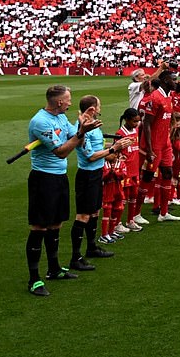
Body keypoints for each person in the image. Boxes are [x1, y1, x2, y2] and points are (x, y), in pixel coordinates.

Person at [25, 85, 101, 296]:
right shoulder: (41, 121)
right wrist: (80, 132)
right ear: (59, 102)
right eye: (68, 99)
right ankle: (34, 280)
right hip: (43, 179)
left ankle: (54, 268)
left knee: (57, 223)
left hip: (59, 178)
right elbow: (61, 151)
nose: (70, 102)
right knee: (40, 226)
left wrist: (82, 130)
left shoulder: (60, 119)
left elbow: (76, 138)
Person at [70, 95, 133, 272]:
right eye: (98, 105)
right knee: (82, 216)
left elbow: (100, 149)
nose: (100, 108)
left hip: (97, 174)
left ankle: (91, 248)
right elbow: (90, 156)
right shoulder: (83, 129)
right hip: (87, 176)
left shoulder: (95, 124)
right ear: (91, 109)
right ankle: (76, 257)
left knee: (95, 212)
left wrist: (114, 148)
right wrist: (114, 148)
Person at [140, 71, 180, 222]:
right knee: (148, 176)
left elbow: (167, 119)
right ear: (165, 80)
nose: (176, 82)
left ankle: (163, 213)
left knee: (168, 174)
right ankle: (135, 214)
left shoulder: (168, 96)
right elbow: (147, 124)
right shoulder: (154, 98)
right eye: (173, 79)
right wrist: (150, 149)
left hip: (165, 143)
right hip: (155, 145)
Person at [115, 107, 144, 232]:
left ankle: (130, 221)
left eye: (137, 121)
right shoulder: (120, 134)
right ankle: (117, 223)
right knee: (123, 198)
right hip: (125, 171)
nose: (136, 124)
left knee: (134, 196)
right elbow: (117, 153)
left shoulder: (136, 130)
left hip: (135, 170)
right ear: (126, 120)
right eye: (134, 121)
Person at [100, 150, 127, 243]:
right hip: (108, 191)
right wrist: (110, 173)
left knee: (117, 210)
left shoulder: (121, 164)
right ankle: (104, 234)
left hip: (118, 190)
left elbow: (123, 175)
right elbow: (103, 177)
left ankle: (111, 232)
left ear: (116, 154)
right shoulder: (103, 164)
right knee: (107, 211)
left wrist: (114, 173)